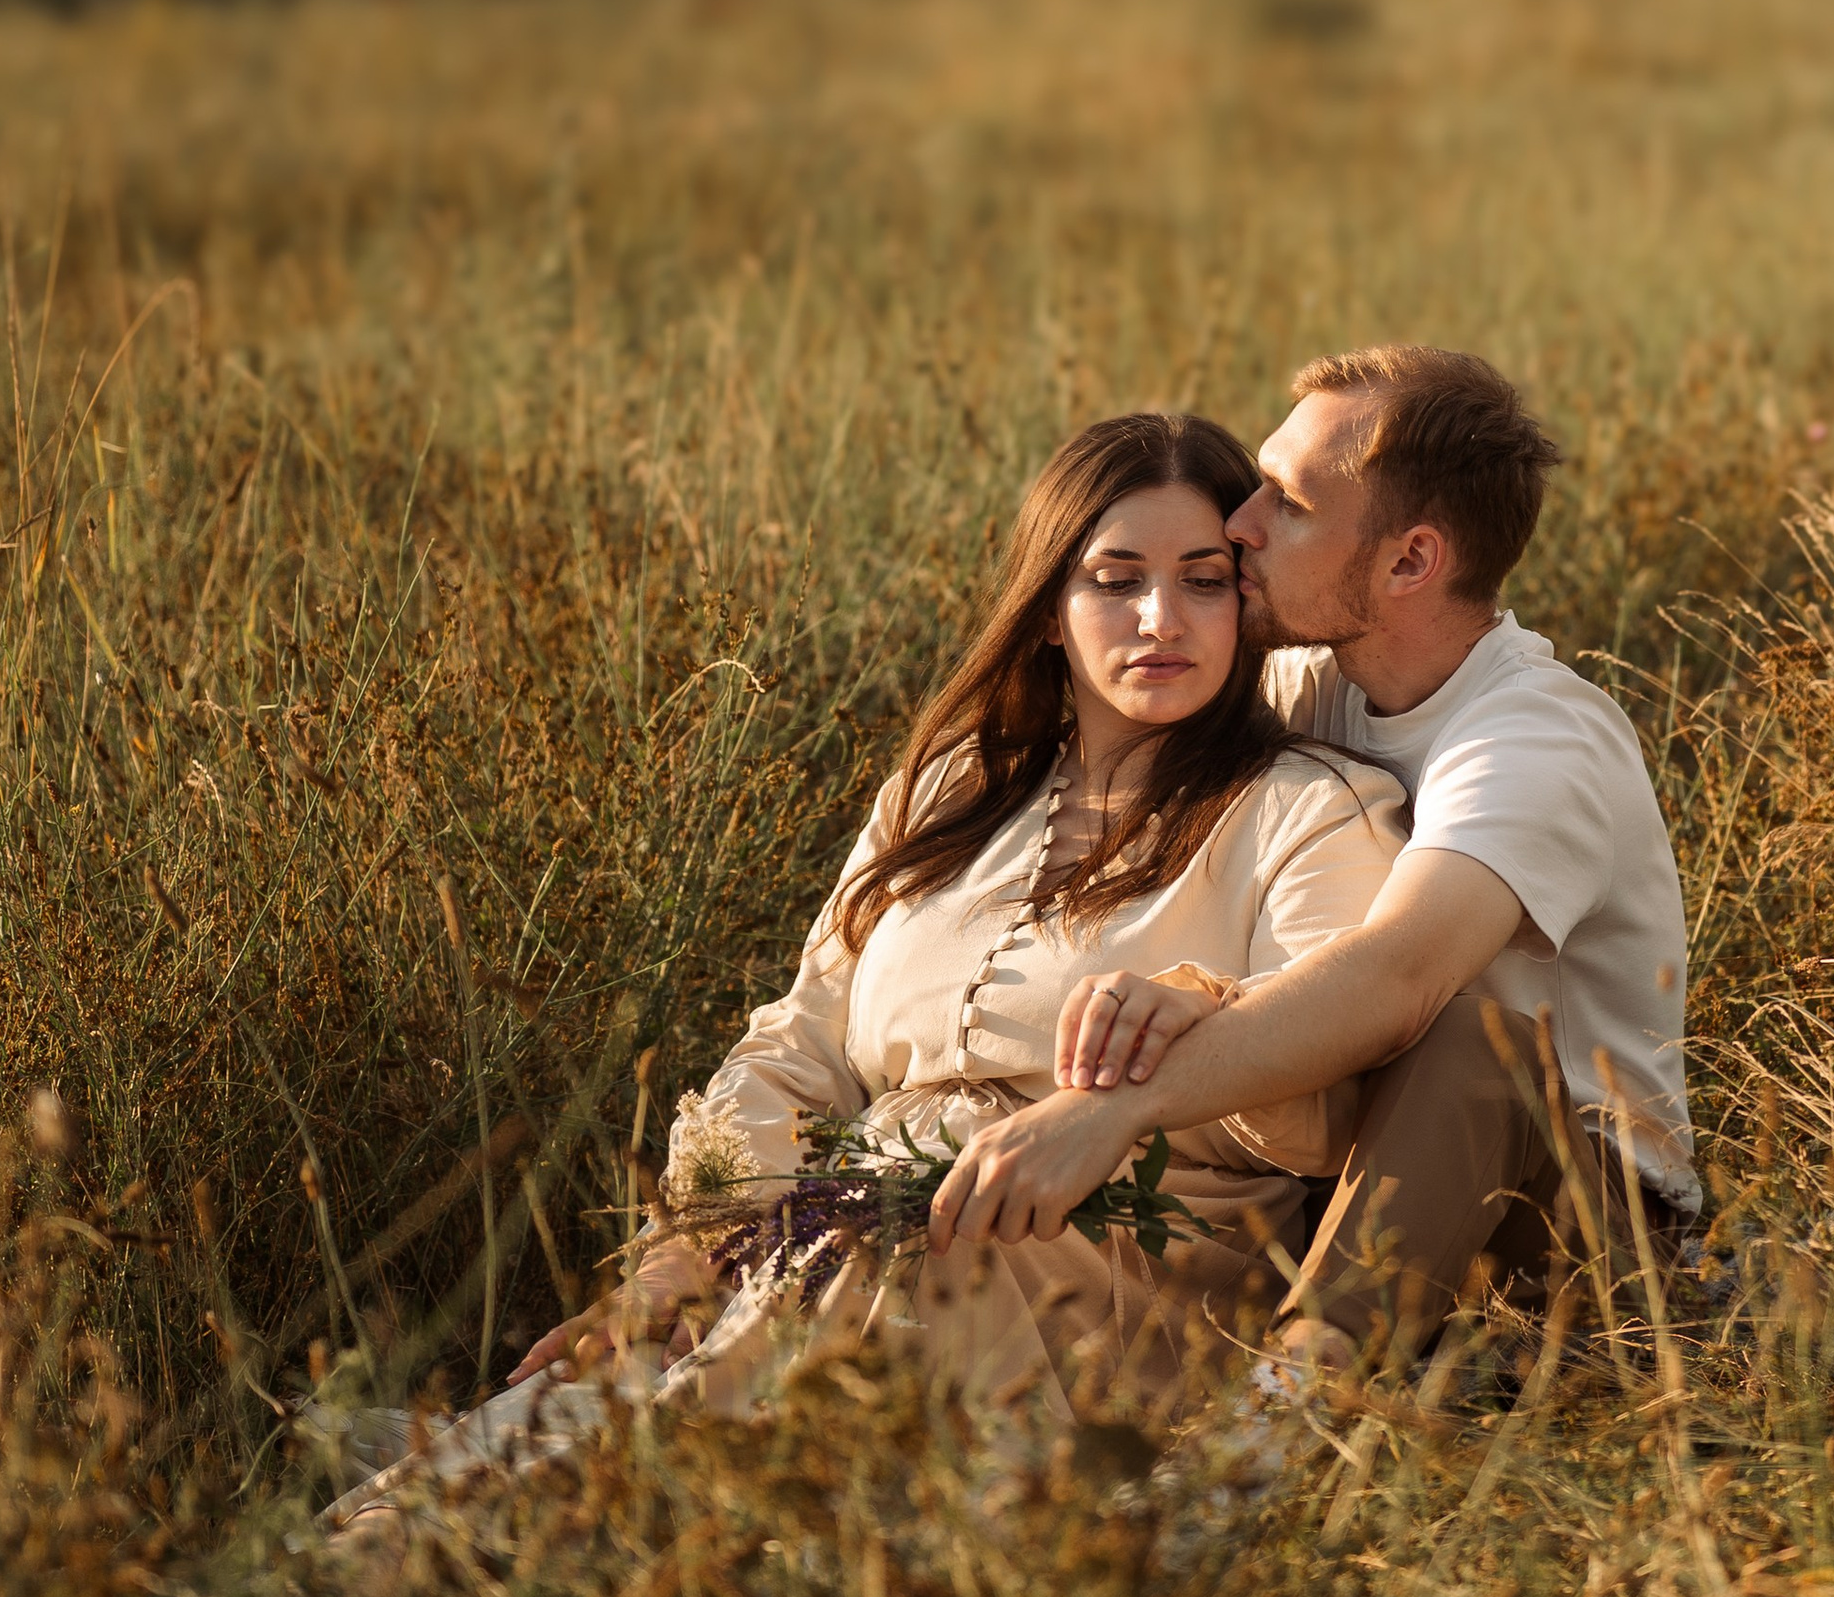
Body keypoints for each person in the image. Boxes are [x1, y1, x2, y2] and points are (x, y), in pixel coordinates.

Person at [486, 409, 1406, 1442]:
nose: (1162, 617)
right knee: (527, 1441)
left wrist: (1189, 1019)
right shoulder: (948, 789)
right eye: (1114, 578)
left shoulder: (1313, 806)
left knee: (675, 1441)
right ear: (1050, 607)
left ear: (1244, 600)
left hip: (1122, 1279)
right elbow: (802, 1040)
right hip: (841, 1233)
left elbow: (1326, 1109)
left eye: (1202, 578)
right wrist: (688, 1247)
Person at [925, 346, 1696, 1380]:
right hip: (1343, 1191)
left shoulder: (1532, 739)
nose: (1237, 521)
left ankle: (1280, 1422)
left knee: (1475, 1043)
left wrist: (1116, 1105)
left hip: (1576, 1241)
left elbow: (1398, 979)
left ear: (1409, 562)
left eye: (1284, 503)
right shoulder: (1310, 685)